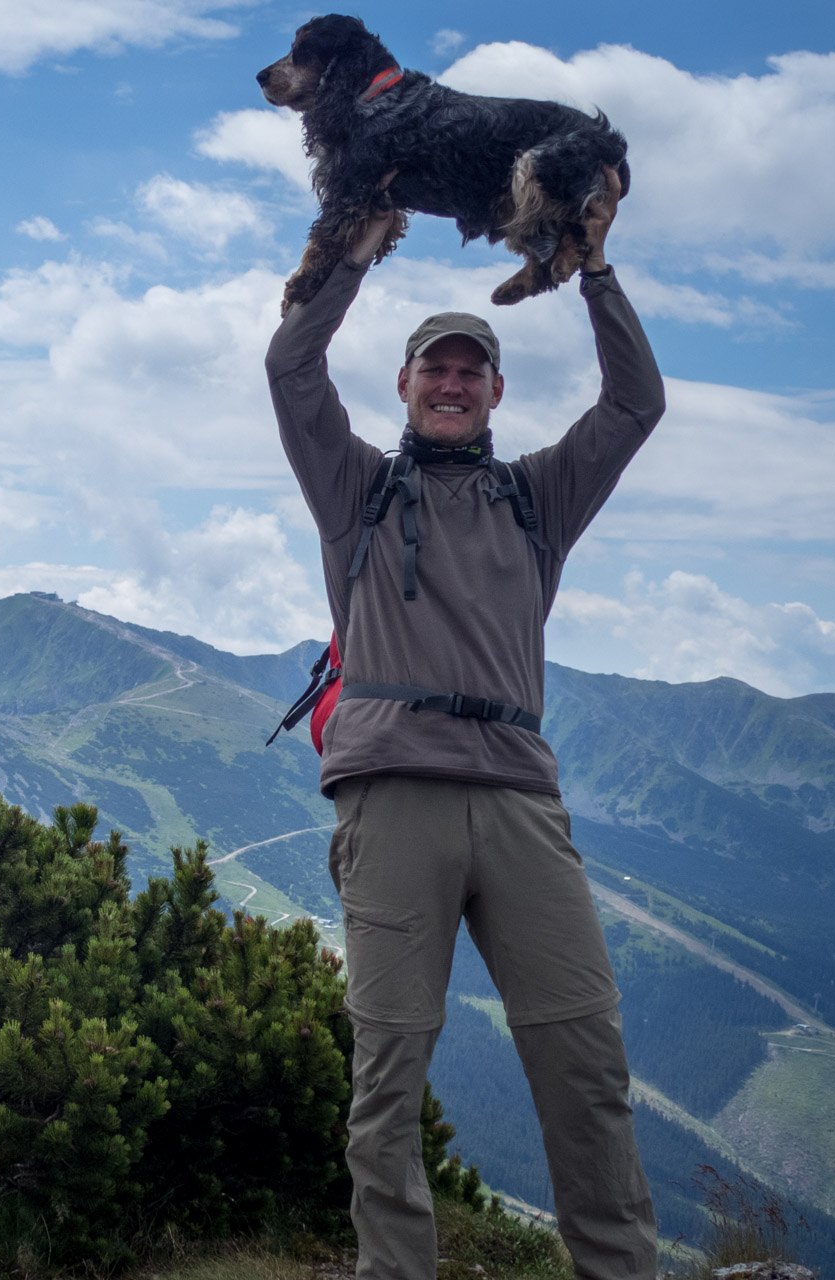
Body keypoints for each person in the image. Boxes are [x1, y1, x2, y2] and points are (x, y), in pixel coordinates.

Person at [265, 169, 661, 1280]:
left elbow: (635, 406)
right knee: (386, 1068)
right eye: (433, 365)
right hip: (392, 797)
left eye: (468, 368)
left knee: (582, 1053)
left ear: (494, 390)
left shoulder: (539, 495)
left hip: (521, 800)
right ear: (402, 384)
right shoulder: (354, 492)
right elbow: (290, 370)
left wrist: (592, 273)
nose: (450, 380)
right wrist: (351, 256)